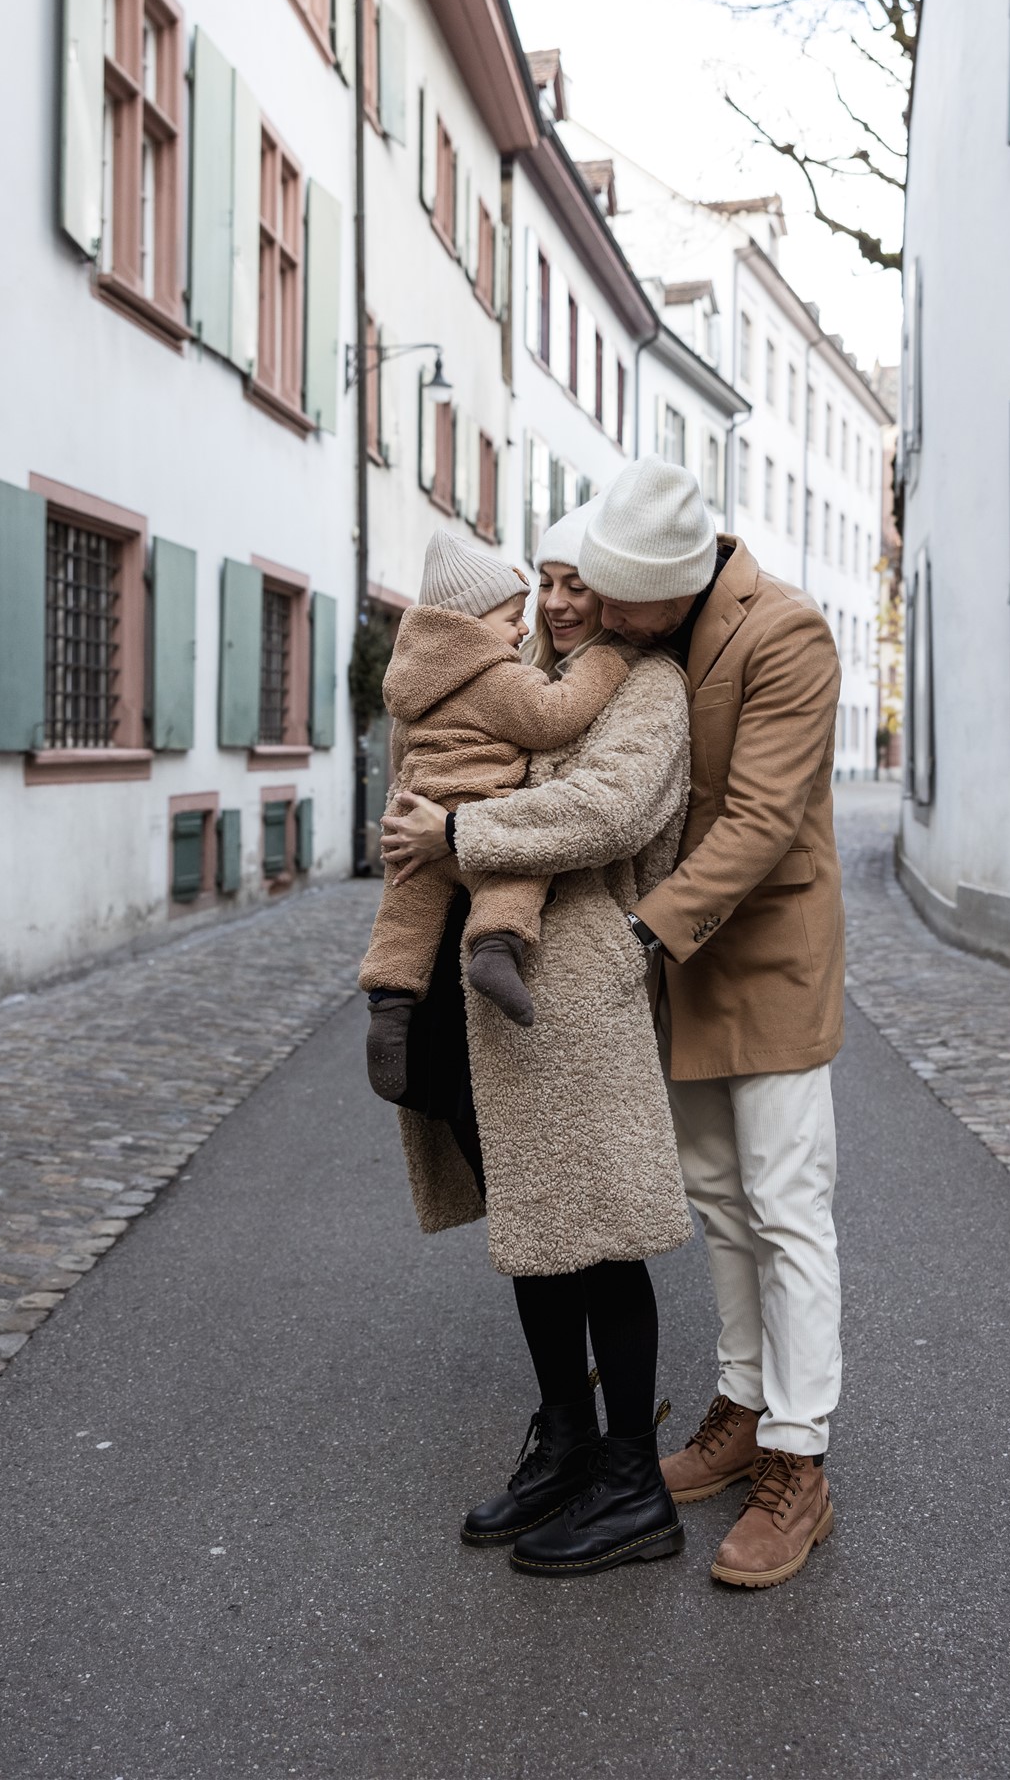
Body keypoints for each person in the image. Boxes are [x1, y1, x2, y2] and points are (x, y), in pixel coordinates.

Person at [375, 498, 695, 1578]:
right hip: (472, 986)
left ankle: (632, 1481)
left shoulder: (643, 687)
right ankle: (563, 1440)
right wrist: (419, 814)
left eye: (578, 582)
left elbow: (608, 810)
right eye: (545, 579)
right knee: (532, 1221)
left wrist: (456, 830)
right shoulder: (507, 675)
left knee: (599, 1232)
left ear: (615, 587)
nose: (557, 602)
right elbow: (429, 765)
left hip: (572, 990)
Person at [575, 456, 844, 1592]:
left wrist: (639, 930)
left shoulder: (788, 634)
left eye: (613, 595)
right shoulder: (644, 637)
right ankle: (741, 1403)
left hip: (767, 955)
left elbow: (763, 819)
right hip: (683, 961)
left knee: (788, 1208)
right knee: (721, 1200)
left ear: (675, 584)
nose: (591, 608)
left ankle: (799, 1455)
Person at [357, 528, 629, 1098]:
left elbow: (400, 759)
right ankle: (496, 950)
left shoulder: (411, 690)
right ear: (470, 626)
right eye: (512, 617)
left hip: (416, 818)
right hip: (483, 816)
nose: (525, 627)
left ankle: (389, 1006)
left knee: (404, 920)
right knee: (517, 875)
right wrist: (603, 665)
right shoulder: (492, 676)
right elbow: (554, 715)